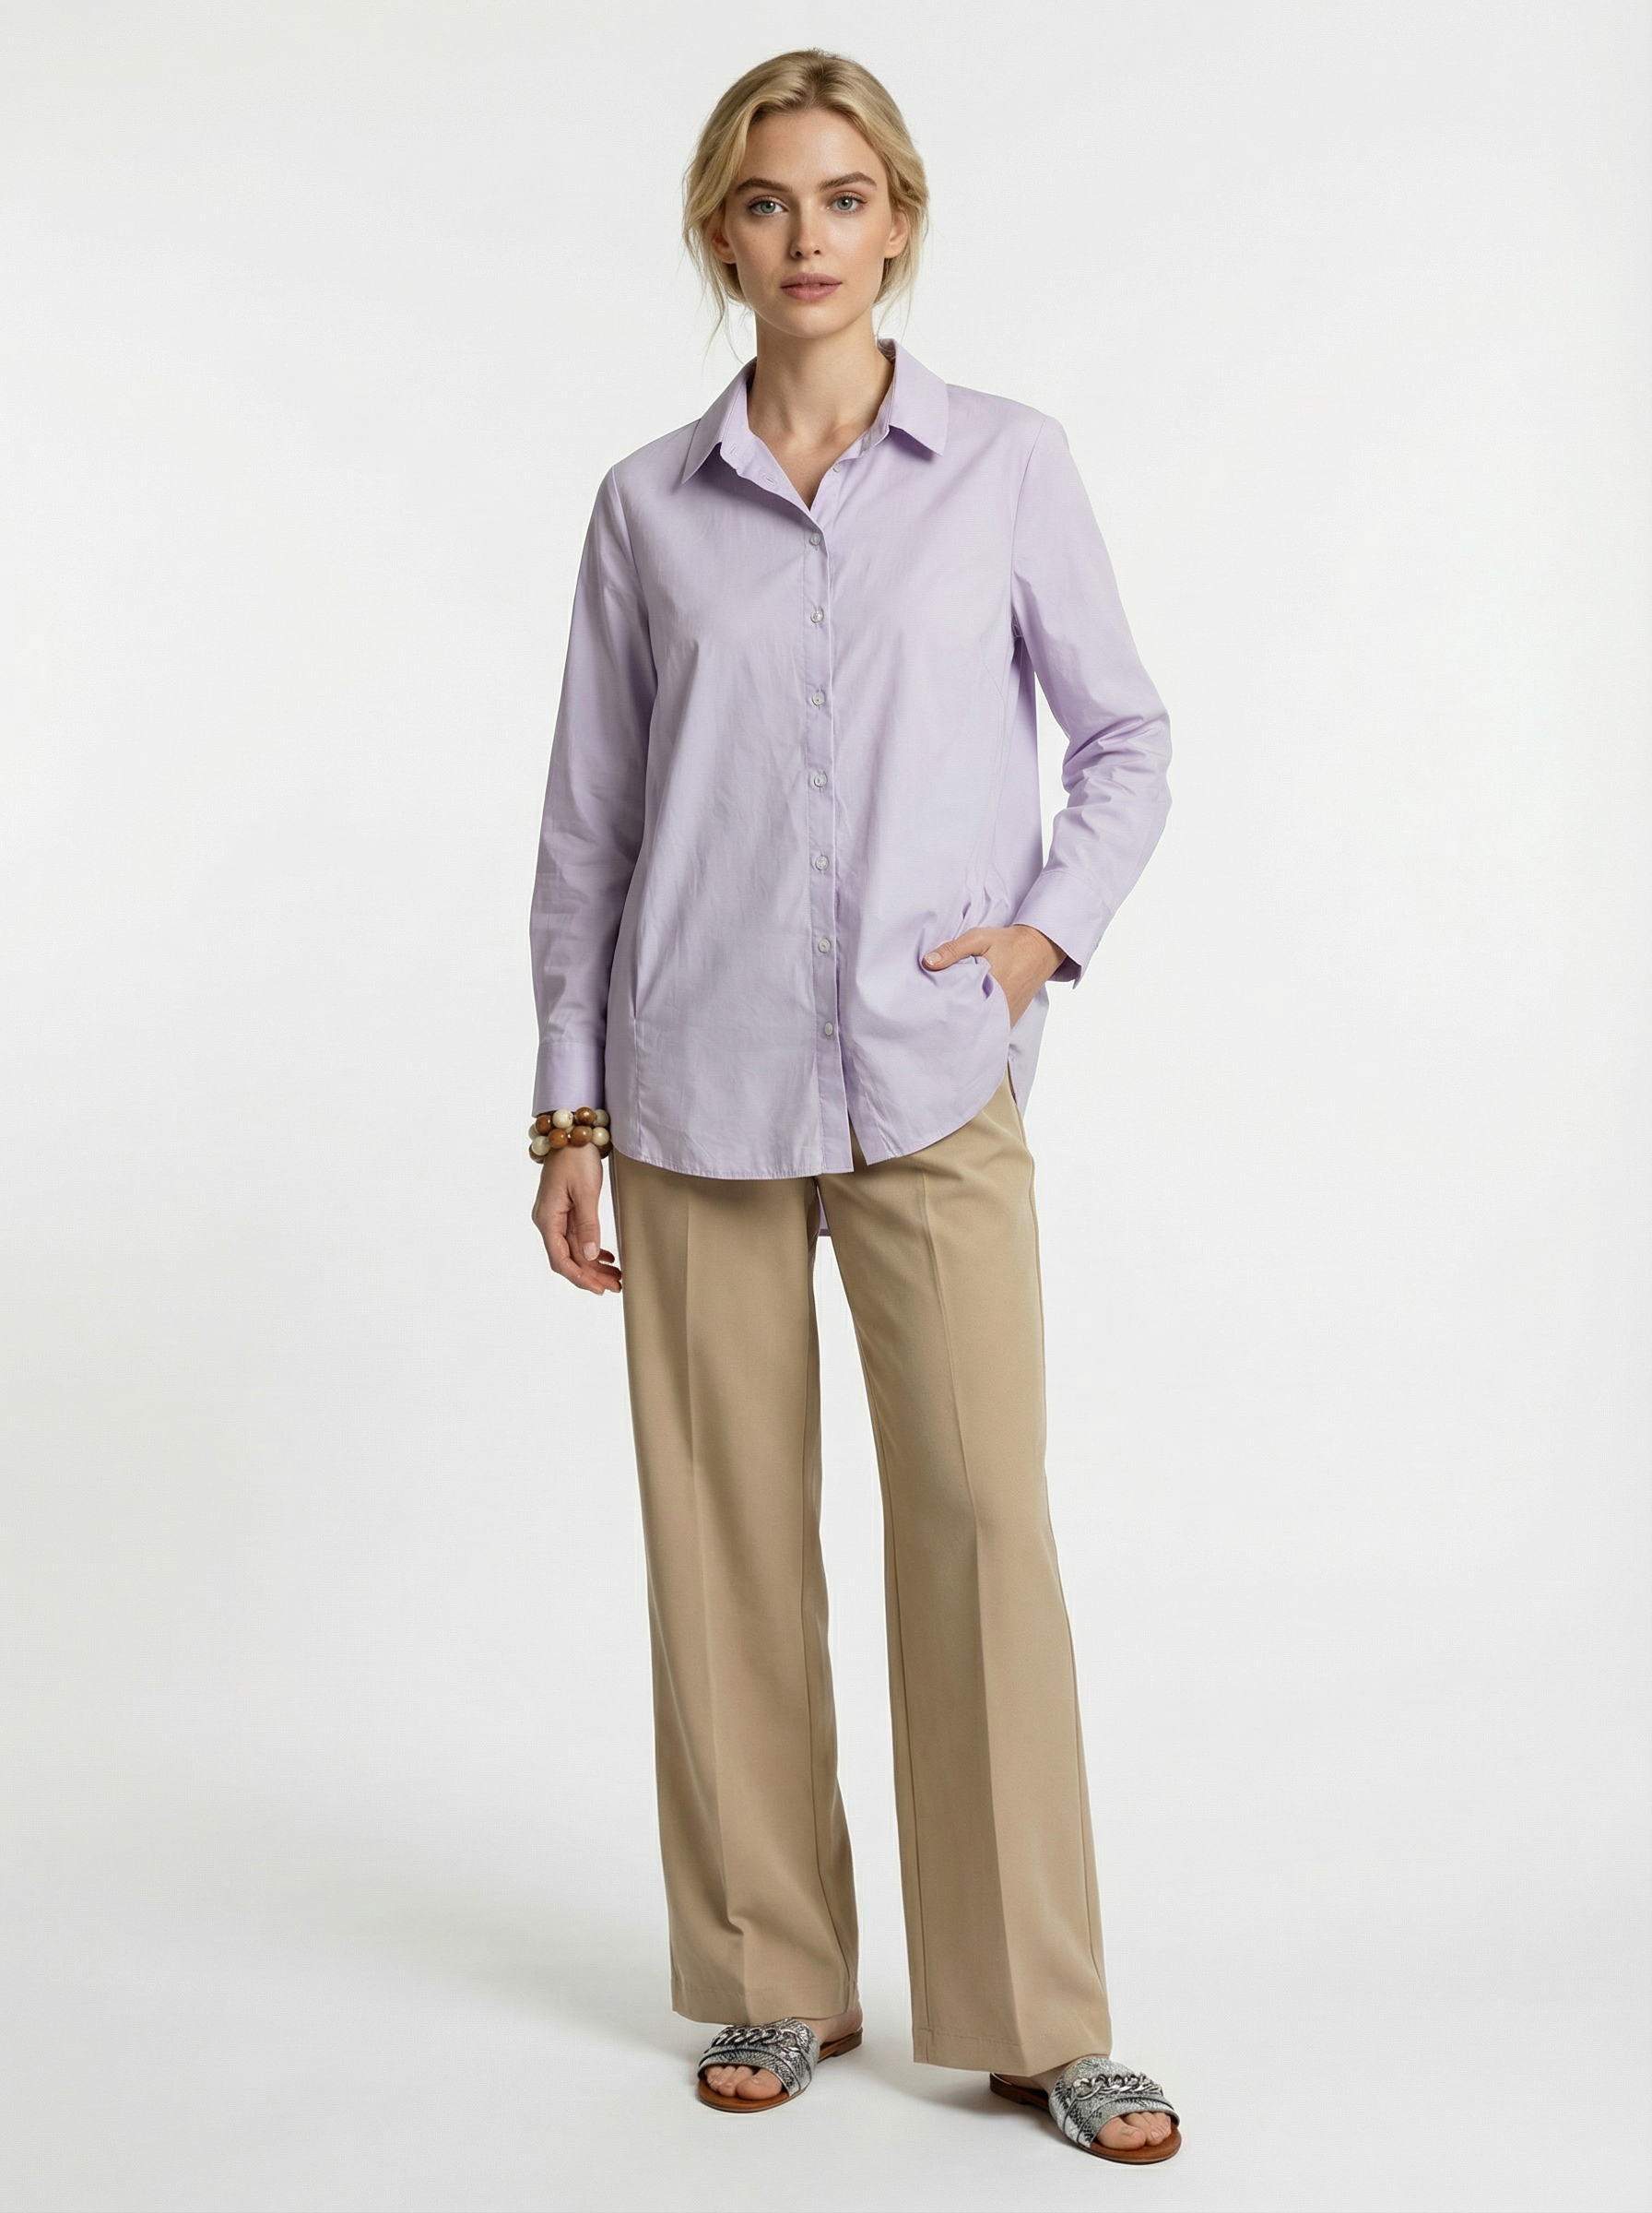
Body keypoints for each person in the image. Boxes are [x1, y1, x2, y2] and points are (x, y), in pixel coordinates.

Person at [528, 48, 1182, 2166]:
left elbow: (1123, 738)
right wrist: (564, 1114)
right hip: (690, 1082)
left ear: (895, 218)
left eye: (837, 196)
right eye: (761, 200)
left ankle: (1032, 2015)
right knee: (721, 1540)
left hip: (928, 1078)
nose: (801, 236)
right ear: (715, 235)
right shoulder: (647, 507)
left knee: (981, 1525)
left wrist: (1035, 943)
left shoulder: (1003, 465)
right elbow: (589, 827)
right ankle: (770, 1972)